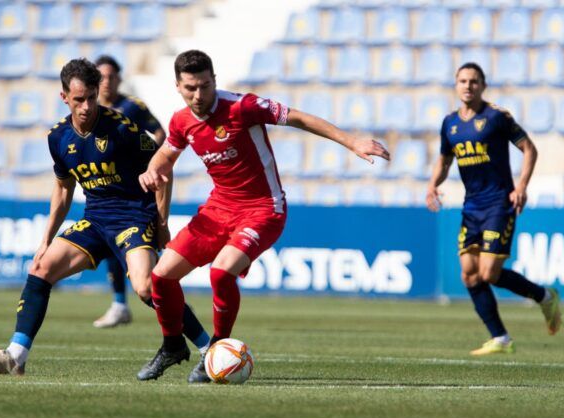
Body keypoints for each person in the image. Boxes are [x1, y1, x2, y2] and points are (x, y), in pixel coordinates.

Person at [136, 50, 390, 382]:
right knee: (161, 276)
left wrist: (351, 141)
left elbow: (299, 117)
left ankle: (216, 349)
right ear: (178, 86)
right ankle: (172, 346)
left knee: (221, 273)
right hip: (218, 209)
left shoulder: (243, 107)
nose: (198, 95)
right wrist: (151, 171)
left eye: (204, 86)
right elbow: (165, 156)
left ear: (214, 80)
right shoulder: (181, 121)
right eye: (190, 88)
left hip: (263, 208)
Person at [0, 58, 209, 376]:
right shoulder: (58, 138)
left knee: (147, 288)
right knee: (40, 268)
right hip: (95, 220)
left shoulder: (122, 128)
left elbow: (163, 169)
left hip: (134, 217)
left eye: (91, 98)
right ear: (64, 97)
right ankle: (15, 357)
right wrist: (45, 240)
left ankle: (207, 348)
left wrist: (161, 224)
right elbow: (63, 191)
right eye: (79, 99)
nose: (86, 107)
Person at [426, 62, 561, 356]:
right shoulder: (449, 123)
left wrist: (521, 186)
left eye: (474, 81)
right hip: (471, 205)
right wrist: (432, 185)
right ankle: (500, 337)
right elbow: (445, 160)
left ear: (483, 85)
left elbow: (529, 149)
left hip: (499, 202)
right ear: (456, 84)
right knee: (469, 275)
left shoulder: (496, 117)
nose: (468, 86)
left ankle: (544, 296)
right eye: (462, 80)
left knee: (488, 272)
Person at [91, 55, 167, 329]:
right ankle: (120, 304)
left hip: (136, 192)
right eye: (101, 77)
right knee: (110, 245)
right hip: (106, 190)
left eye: (112, 76)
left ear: (120, 79)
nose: (107, 82)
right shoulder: (88, 112)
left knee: (143, 249)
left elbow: (160, 133)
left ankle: (166, 297)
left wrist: (144, 159)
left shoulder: (132, 107)